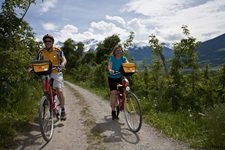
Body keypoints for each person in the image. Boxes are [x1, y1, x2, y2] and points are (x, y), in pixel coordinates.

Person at [36, 34, 67, 120]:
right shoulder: (41, 51)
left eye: (49, 41)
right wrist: (31, 68)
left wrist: (62, 64)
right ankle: (47, 102)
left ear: (52, 42)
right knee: (46, 89)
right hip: (45, 72)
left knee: (59, 90)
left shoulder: (57, 50)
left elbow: (64, 59)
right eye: (45, 41)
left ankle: (63, 109)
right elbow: (36, 62)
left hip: (56, 72)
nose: (47, 43)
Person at [108, 44, 128, 120]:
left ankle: (122, 99)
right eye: (117, 50)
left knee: (125, 82)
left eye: (120, 50)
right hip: (112, 78)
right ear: (115, 52)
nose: (119, 52)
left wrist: (132, 69)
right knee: (113, 93)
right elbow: (109, 66)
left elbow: (127, 64)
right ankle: (113, 111)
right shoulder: (112, 59)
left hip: (119, 78)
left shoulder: (123, 58)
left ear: (122, 51)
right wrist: (110, 70)